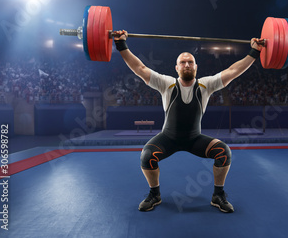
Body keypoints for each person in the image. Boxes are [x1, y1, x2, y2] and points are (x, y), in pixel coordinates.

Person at [113, 30, 264, 213]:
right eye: (182, 62)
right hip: (168, 138)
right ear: (176, 68)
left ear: (196, 67)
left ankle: (218, 195)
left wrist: (254, 52)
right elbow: (140, 69)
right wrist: (121, 44)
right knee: (147, 156)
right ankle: (155, 194)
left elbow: (233, 71)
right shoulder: (166, 83)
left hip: (194, 139)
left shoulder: (205, 85)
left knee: (224, 152)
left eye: (190, 62)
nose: (186, 64)